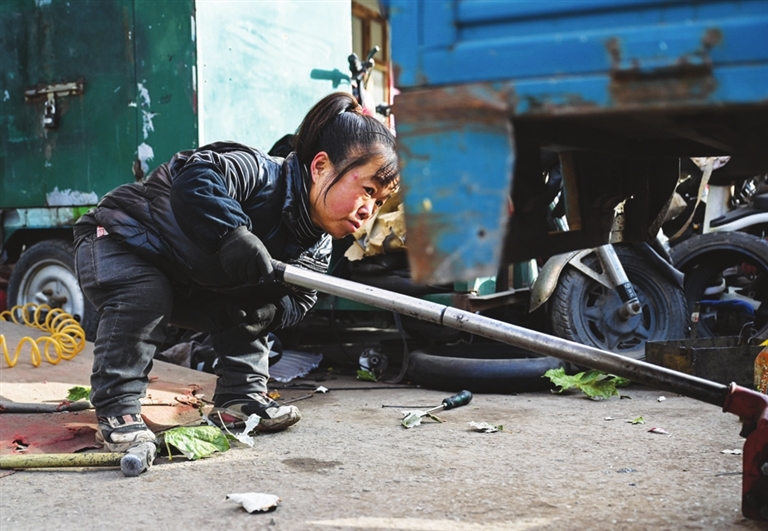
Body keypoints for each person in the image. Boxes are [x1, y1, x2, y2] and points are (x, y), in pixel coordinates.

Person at [73, 92, 399, 451]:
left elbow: (302, 298)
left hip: (188, 277)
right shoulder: (260, 172)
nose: (369, 210)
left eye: (379, 202)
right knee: (146, 293)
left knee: (253, 303)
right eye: (367, 190)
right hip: (119, 241)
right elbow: (195, 178)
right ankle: (117, 408)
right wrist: (231, 233)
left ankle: (239, 398)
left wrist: (270, 309)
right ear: (321, 167)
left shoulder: (317, 248)